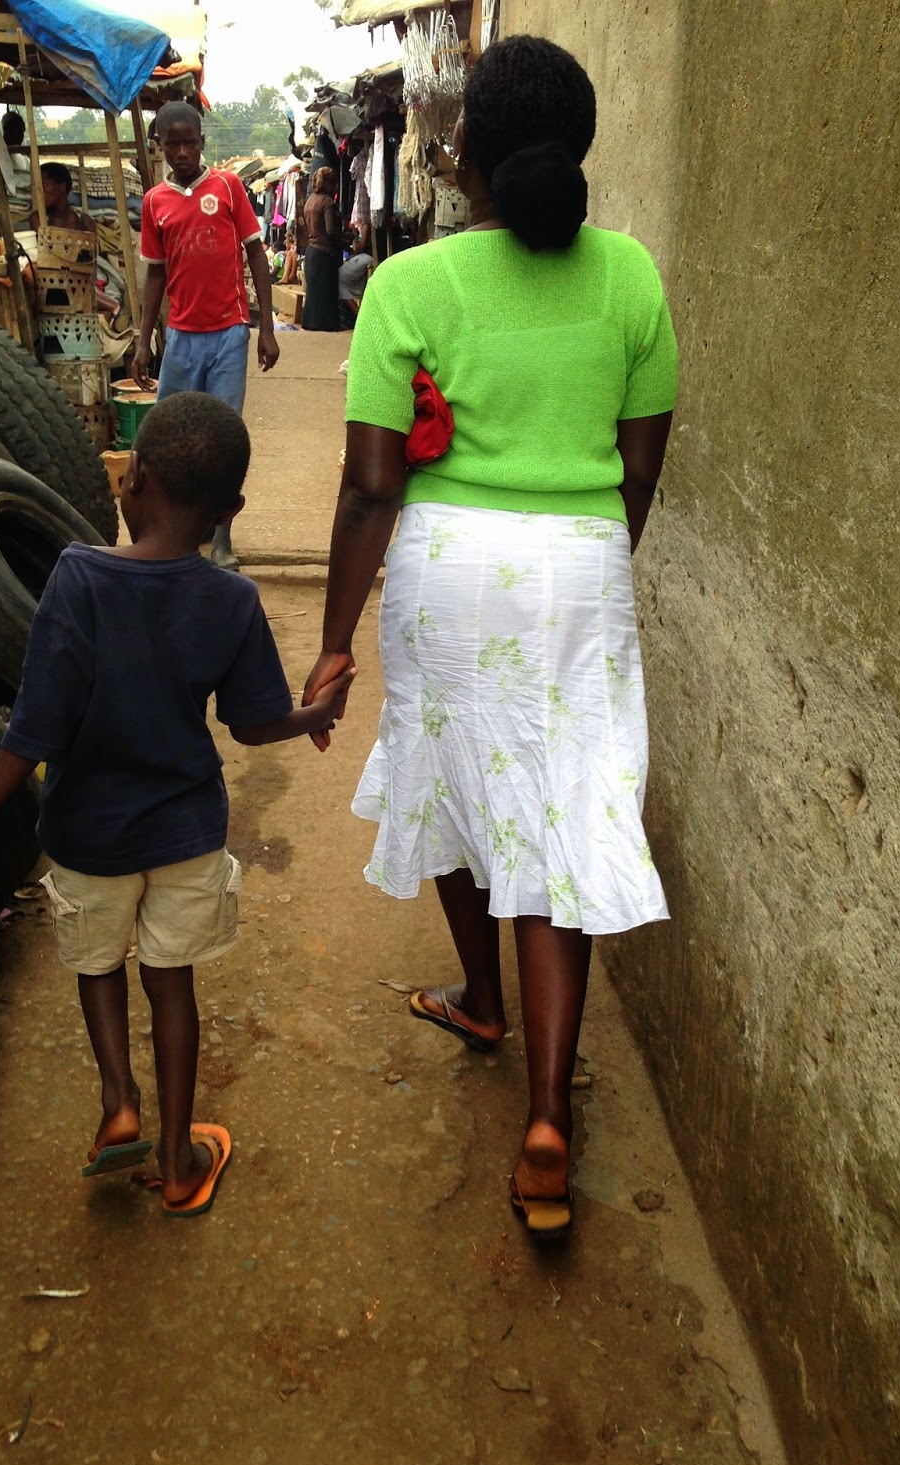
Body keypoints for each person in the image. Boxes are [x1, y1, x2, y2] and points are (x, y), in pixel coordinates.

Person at [303, 35, 678, 1241]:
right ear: (580, 145)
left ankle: (480, 995)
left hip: (448, 570)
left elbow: (371, 486)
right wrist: (589, 562)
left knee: (458, 777)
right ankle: (549, 1114)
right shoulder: (631, 277)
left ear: (461, 152)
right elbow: (638, 471)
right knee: (559, 811)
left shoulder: (410, 288)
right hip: (581, 566)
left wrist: (334, 639)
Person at [0, 393, 353, 1217]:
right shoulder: (231, 600)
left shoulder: (77, 577)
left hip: (88, 834)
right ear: (231, 510)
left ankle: (119, 1101)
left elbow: (37, 724)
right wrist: (316, 714)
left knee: (98, 967)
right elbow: (254, 725)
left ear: (133, 478)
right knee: (170, 979)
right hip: (184, 833)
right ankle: (180, 1161)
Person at [133, 102, 280, 572]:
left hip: (229, 334)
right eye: (171, 144)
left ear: (202, 143)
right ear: (160, 146)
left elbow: (256, 255)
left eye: (189, 143)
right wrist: (143, 340)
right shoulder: (154, 202)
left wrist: (266, 327)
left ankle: (221, 538)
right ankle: (168, 531)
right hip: (181, 337)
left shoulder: (228, 187)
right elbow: (155, 275)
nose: (181, 152)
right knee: (167, 435)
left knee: (223, 438)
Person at [302, 166, 346, 332]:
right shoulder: (327, 202)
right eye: (334, 184)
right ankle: (325, 325)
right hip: (324, 254)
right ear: (329, 184)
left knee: (313, 293)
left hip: (311, 252)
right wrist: (345, 239)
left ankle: (311, 323)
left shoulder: (310, 201)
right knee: (326, 293)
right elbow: (331, 231)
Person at [38, 162, 90, 232]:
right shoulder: (38, 220)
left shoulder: (84, 223)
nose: (39, 192)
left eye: (44, 186)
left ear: (62, 186)